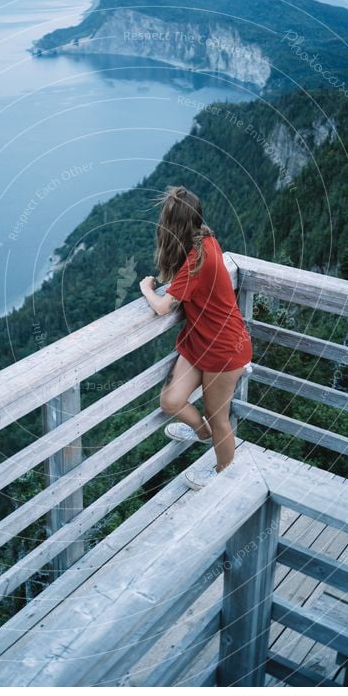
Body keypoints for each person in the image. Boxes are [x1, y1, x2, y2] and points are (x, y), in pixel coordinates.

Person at [139, 185, 253, 489]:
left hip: (225, 349)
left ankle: (223, 476)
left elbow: (164, 307)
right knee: (171, 400)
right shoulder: (205, 237)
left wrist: (147, 288)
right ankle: (202, 434)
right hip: (200, 341)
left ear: (173, 225)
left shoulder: (197, 260)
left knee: (219, 419)